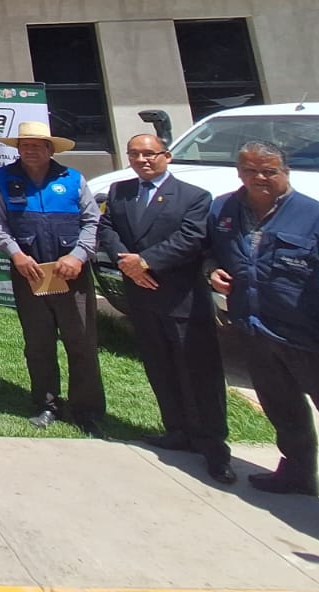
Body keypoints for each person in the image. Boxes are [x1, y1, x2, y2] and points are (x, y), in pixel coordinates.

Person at [208, 141, 319, 539]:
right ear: (239, 172)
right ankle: (298, 472)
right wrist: (212, 270)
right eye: (250, 170)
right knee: (282, 408)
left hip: (313, 337)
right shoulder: (223, 210)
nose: (259, 178)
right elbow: (213, 253)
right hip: (255, 328)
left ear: (286, 172)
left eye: (269, 171)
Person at [99, 133, 232, 484]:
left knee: (199, 374)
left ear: (166, 156)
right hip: (141, 299)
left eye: (150, 154)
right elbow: (108, 228)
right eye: (135, 154)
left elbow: (191, 238)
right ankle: (176, 429)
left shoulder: (194, 196)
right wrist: (125, 262)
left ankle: (214, 448)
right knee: (160, 367)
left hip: (181, 299)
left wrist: (145, 262)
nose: (142, 160)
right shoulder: (120, 191)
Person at [0, 121, 105, 434]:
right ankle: (47, 404)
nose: (30, 150)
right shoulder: (3, 178)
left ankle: (86, 410)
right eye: (25, 145)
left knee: (81, 342)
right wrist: (16, 255)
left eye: (37, 145)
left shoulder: (73, 179)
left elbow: (93, 223)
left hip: (71, 276)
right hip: (30, 275)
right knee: (38, 344)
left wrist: (77, 257)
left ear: (50, 149)